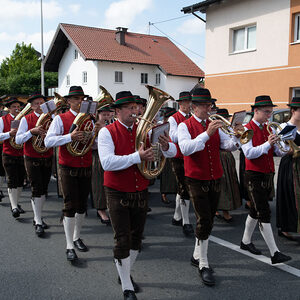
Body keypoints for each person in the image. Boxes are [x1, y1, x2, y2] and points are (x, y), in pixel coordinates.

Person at [98, 91, 176, 300]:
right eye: (130, 108)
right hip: (116, 190)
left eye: (136, 108)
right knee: (122, 239)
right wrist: (137, 157)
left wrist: (167, 146)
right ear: (117, 111)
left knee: (136, 239)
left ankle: (124, 272)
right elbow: (107, 163)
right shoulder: (107, 132)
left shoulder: (147, 131)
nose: (135, 111)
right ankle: (126, 285)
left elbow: (172, 153)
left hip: (140, 189)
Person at [178, 88, 240, 286]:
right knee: (203, 219)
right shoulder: (184, 126)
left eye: (210, 105)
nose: (209, 108)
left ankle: (196, 255)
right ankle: (204, 263)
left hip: (215, 177)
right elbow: (186, 148)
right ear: (194, 107)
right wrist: (206, 134)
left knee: (209, 219)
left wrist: (237, 137)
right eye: (205, 105)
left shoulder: (214, 125)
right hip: (196, 179)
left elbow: (227, 146)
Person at [45, 86, 99, 261]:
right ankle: (69, 244)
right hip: (67, 166)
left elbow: (94, 144)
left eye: (82, 99)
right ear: (68, 101)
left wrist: (96, 134)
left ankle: (77, 237)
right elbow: (48, 141)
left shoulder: (90, 119)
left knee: (82, 205)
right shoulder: (60, 119)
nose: (80, 101)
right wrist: (70, 137)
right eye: (76, 99)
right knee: (69, 205)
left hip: (85, 166)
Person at [240, 95, 291, 264]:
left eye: (271, 112)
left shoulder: (269, 128)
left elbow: (276, 152)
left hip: (267, 174)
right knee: (264, 212)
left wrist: (282, 147)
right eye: (266, 112)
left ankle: (245, 241)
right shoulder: (246, 129)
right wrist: (268, 144)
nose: (269, 115)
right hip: (253, 175)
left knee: (255, 210)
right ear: (256, 111)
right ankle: (274, 252)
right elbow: (249, 153)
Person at [15, 92, 53, 236]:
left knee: (43, 189)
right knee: (36, 188)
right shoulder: (26, 119)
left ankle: (39, 216)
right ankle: (37, 220)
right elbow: (18, 140)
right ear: (31, 106)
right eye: (36, 103)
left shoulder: (52, 118)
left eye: (41, 103)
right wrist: (32, 131)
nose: (39, 106)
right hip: (32, 157)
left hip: (47, 156)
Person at [168, 91, 194, 236]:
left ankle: (177, 216)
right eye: (186, 103)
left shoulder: (192, 117)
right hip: (178, 157)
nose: (189, 105)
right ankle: (186, 221)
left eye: (190, 102)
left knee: (182, 188)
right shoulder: (173, 118)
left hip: (189, 156)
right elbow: (173, 136)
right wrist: (187, 130)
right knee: (184, 188)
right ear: (180, 103)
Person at [276, 97, 300, 240]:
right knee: (290, 195)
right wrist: (293, 150)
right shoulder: (285, 127)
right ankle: (286, 227)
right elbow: (281, 150)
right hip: (291, 165)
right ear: (293, 110)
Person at [0, 98, 26, 217]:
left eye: (18, 107)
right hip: (8, 153)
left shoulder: (23, 120)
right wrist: (9, 134)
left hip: (22, 153)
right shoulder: (2, 119)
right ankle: (14, 206)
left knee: (20, 181)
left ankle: (15, 203)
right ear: (9, 108)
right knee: (12, 179)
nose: (17, 109)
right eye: (14, 107)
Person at [215, 108, 242, 222]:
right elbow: (226, 145)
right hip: (220, 157)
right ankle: (222, 209)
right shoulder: (218, 130)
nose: (226, 120)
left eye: (227, 118)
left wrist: (238, 136)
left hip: (228, 158)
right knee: (223, 184)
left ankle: (226, 207)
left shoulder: (229, 128)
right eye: (224, 118)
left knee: (231, 183)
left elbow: (236, 146)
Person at [92, 105, 112, 225]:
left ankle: (111, 206)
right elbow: (92, 144)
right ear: (98, 114)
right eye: (103, 114)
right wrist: (98, 132)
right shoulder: (95, 125)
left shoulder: (113, 123)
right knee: (99, 183)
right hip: (97, 155)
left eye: (108, 114)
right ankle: (101, 209)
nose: (106, 117)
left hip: (112, 154)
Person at [159, 107, 178, 204]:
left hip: (172, 150)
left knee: (173, 175)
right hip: (165, 153)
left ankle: (173, 192)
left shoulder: (173, 125)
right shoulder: (162, 125)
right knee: (166, 175)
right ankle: (164, 194)